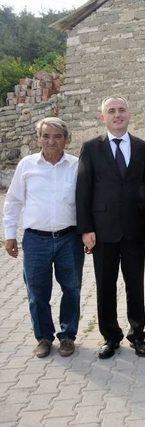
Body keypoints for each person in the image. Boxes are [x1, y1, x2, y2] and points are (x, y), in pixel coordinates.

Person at [76, 96, 145, 359]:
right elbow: (83, 191)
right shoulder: (90, 148)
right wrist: (86, 229)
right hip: (102, 230)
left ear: (129, 114)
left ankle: (137, 335)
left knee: (135, 285)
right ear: (103, 117)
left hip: (134, 231)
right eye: (111, 111)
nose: (117, 115)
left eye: (121, 110)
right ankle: (110, 337)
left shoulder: (143, 148)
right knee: (105, 286)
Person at [3, 117, 84, 358]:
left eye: (57, 136)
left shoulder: (76, 165)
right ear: (38, 139)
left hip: (69, 238)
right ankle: (44, 337)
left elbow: (86, 202)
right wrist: (9, 235)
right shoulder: (27, 165)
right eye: (46, 136)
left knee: (72, 288)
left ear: (66, 140)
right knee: (37, 292)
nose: (51, 141)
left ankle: (68, 335)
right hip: (35, 239)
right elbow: (13, 201)